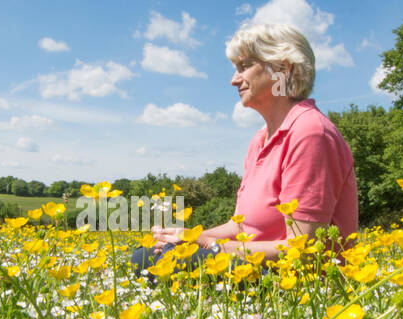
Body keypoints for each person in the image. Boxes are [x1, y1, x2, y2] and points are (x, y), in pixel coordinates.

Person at [135, 21, 358, 274]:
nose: (234, 80)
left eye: (245, 66)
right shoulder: (259, 141)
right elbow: (240, 226)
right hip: (251, 265)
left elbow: (305, 251)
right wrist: (184, 237)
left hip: (295, 280)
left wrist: (208, 244)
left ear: (284, 69)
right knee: (148, 255)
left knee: (163, 262)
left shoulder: (311, 132)